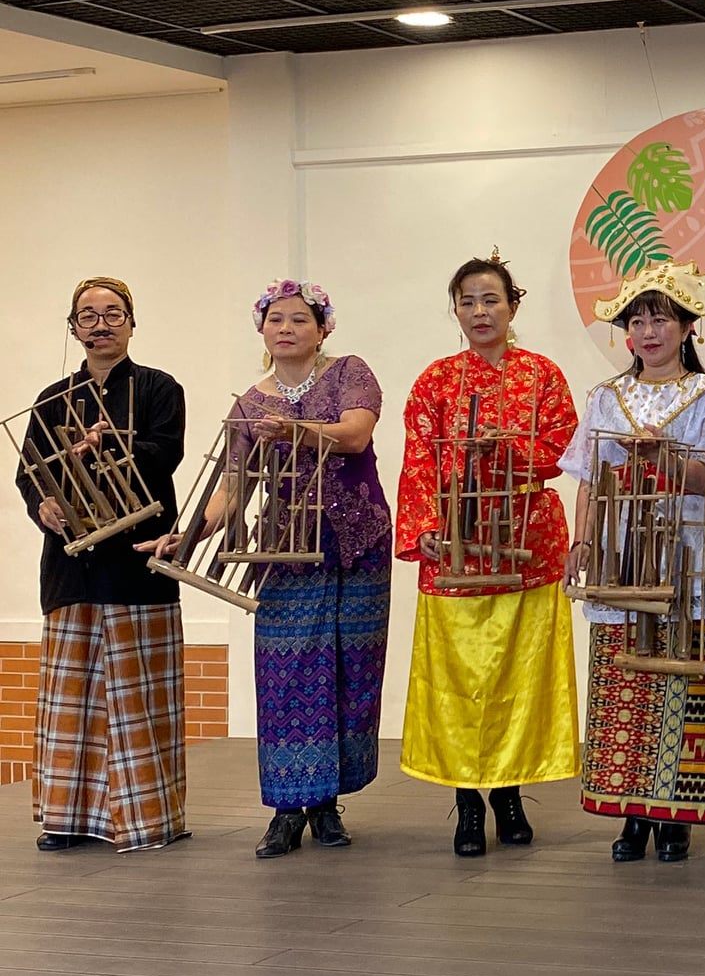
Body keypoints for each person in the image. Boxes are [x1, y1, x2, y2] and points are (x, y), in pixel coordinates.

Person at [139, 280, 390, 859]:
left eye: (300, 319)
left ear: (322, 328)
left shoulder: (351, 371)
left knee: (350, 668)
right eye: (276, 319)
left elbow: (355, 435)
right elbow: (232, 487)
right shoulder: (250, 405)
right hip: (284, 551)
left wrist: (298, 431)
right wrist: (188, 534)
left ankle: (326, 805)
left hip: (359, 541)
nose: (287, 328)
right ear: (261, 329)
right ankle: (286, 808)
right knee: (286, 671)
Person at [395, 253, 579, 856]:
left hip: (526, 541)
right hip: (456, 545)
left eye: (491, 299)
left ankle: (509, 792)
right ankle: (468, 804)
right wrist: (423, 524)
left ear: (513, 306)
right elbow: (419, 458)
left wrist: (508, 451)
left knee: (518, 679)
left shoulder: (543, 375)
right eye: (468, 301)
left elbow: (562, 449)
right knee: (457, 681)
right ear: (456, 310)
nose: (480, 311)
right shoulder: (435, 382)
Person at [562, 258, 705, 864]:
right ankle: (630, 812)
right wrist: (582, 540)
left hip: (687, 549)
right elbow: (586, 477)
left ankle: (676, 816)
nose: (648, 332)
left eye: (660, 319)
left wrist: (665, 456)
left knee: (684, 675)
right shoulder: (604, 396)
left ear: (687, 327)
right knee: (622, 675)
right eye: (637, 321)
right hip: (620, 547)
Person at [15, 277, 187, 852]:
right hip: (73, 572)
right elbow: (29, 473)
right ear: (73, 328)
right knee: (74, 695)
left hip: (139, 563)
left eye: (113, 313)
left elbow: (166, 452)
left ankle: (146, 820)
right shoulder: (50, 399)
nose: (101, 324)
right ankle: (68, 818)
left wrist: (111, 443)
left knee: (140, 698)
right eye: (87, 316)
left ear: (133, 323)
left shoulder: (160, 388)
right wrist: (43, 507)